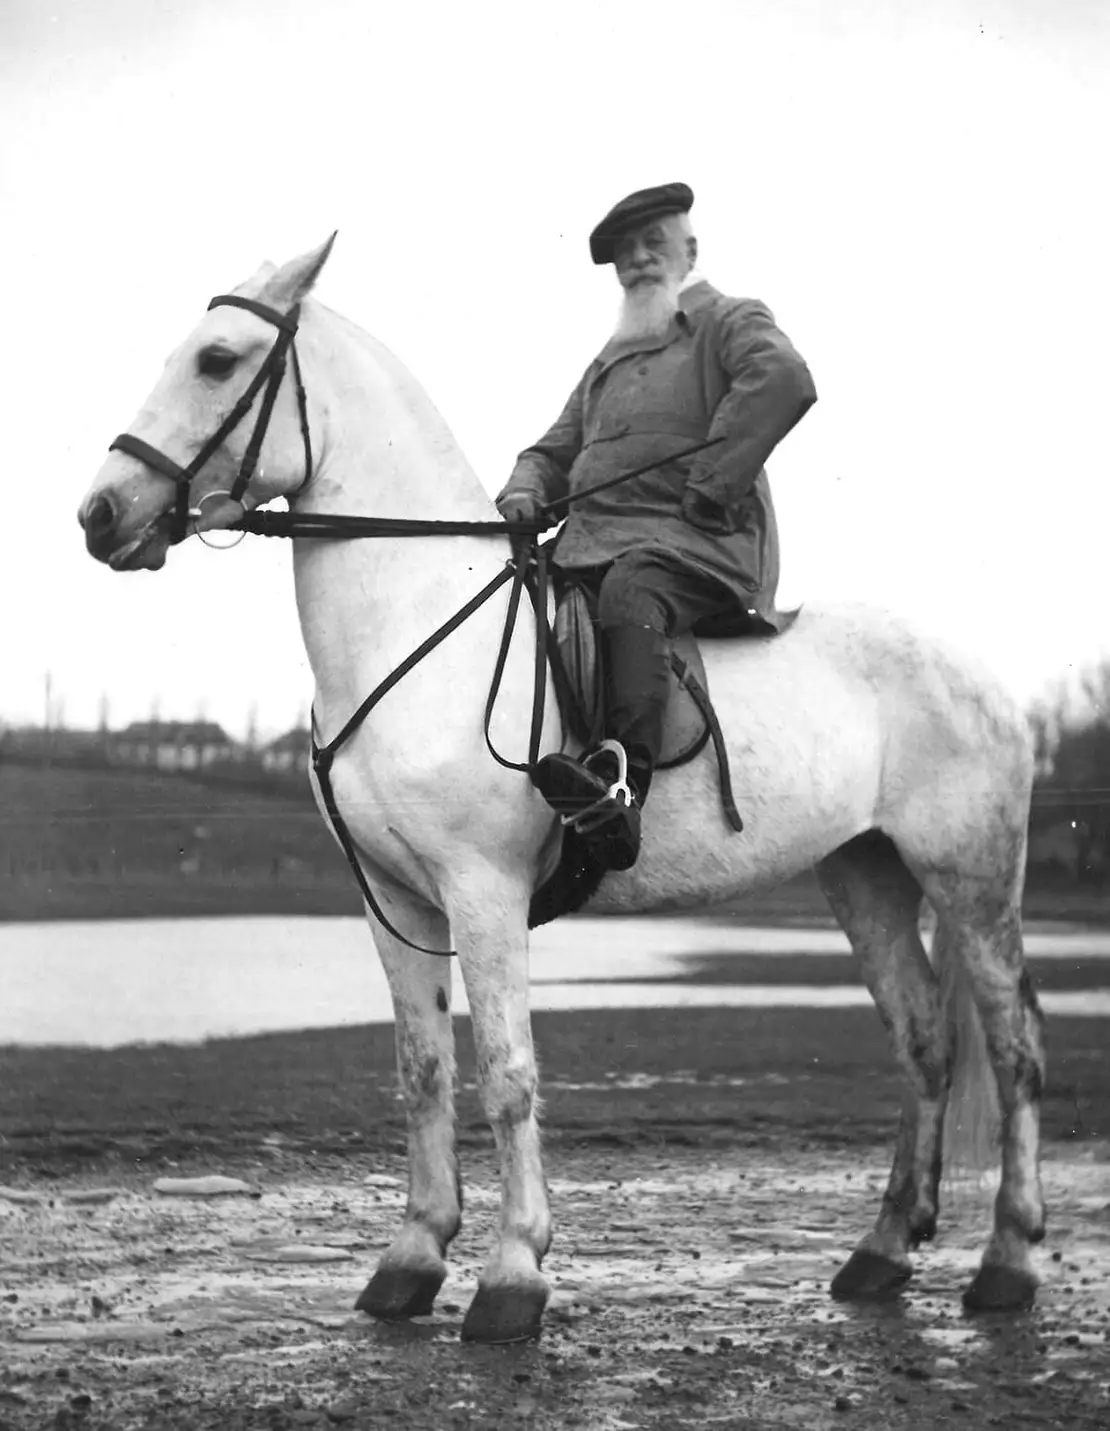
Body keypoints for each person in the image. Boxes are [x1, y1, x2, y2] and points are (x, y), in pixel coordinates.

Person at [497, 182, 817, 870]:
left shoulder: (729, 319)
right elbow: (552, 450)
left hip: (698, 541)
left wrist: (712, 484)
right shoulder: (608, 361)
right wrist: (526, 487)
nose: (637, 260)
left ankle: (620, 788)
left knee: (632, 587)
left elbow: (783, 377)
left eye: (653, 244)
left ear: (689, 251)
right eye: (623, 253)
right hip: (589, 542)